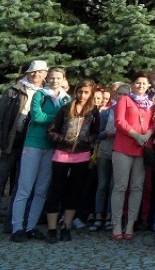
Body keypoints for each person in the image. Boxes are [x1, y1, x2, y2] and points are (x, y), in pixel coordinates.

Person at [10, 66, 68, 242]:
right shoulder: (39, 95)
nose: (54, 81)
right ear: (47, 78)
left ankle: (31, 227)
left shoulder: (66, 99)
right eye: (51, 77)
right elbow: (37, 117)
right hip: (34, 144)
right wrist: (59, 119)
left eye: (58, 78)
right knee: (24, 188)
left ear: (63, 79)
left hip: (52, 146)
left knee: (42, 189)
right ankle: (17, 227)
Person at [44, 79, 100, 243]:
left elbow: (96, 133)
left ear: (90, 94)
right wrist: (63, 139)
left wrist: (87, 139)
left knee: (74, 191)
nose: (82, 95)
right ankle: (52, 228)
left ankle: (67, 226)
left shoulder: (93, 111)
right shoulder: (65, 109)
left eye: (86, 92)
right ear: (76, 92)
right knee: (56, 190)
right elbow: (51, 131)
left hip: (82, 154)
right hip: (62, 153)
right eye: (80, 91)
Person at [0, 60, 49, 221]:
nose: (36, 75)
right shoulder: (14, 90)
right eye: (33, 72)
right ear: (28, 73)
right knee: (2, 176)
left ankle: (12, 220)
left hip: (32, 141)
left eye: (40, 72)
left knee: (21, 182)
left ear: (45, 74)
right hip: (11, 140)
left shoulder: (47, 92)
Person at [111, 72, 155, 241]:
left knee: (137, 187)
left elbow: (153, 123)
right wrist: (136, 135)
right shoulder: (125, 100)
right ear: (132, 84)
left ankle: (130, 224)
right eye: (138, 83)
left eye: (144, 83)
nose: (141, 86)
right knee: (120, 187)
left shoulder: (150, 104)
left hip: (143, 148)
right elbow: (120, 122)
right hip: (124, 147)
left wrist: (147, 135)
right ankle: (116, 224)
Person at [90, 83, 129, 232]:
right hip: (105, 152)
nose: (123, 97)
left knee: (115, 185)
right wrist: (106, 134)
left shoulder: (129, 113)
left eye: (126, 95)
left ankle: (110, 217)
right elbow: (96, 134)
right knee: (102, 184)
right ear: (114, 95)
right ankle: (98, 215)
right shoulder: (106, 113)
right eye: (120, 94)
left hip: (121, 153)